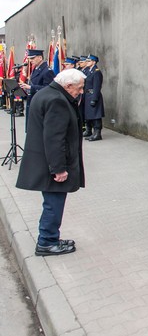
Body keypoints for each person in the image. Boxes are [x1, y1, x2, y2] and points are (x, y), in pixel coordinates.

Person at [15, 69, 87, 256]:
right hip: (51, 165)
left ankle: (51, 237)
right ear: (68, 85)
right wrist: (59, 169)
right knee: (54, 204)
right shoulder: (57, 101)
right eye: (79, 88)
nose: (81, 92)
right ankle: (47, 242)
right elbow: (55, 138)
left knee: (51, 202)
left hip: (44, 161)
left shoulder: (46, 93)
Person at [19, 49, 55, 125]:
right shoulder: (35, 69)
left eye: (32, 58)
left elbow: (49, 88)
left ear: (40, 58)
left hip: (41, 103)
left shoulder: (47, 71)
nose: (30, 60)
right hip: (33, 100)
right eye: (29, 59)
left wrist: (31, 88)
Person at [83, 54, 105, 141]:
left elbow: (97, 86)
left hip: (93, 95)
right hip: (87, 95)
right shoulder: (89, 71)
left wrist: (94, 99)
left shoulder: (96, 72)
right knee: (89, 115)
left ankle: (97, 133)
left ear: (94, 62)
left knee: (96, 116)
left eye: (88, 61)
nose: (87, 62)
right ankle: (90, 132)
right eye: (86, 61)